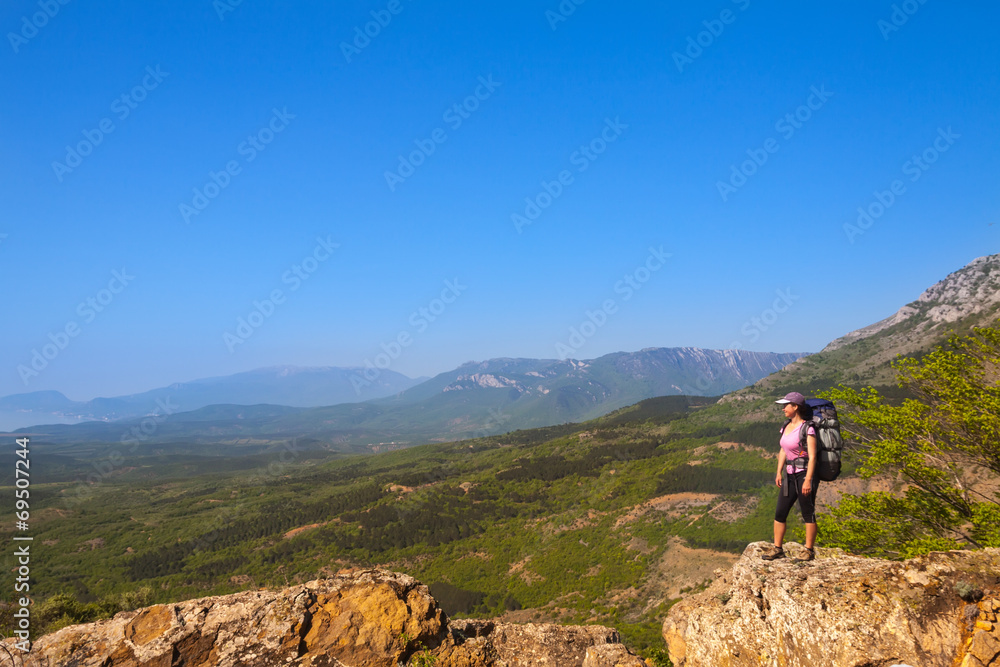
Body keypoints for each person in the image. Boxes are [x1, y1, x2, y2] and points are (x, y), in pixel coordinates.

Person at [761, 391, 818, 562]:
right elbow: (783, 450)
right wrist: (779, 471)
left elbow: (813, 456)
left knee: (807, 512)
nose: (783, 409)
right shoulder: (786, 426)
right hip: (790, 475)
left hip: (804, 474)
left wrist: (808, 480)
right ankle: (778, 548)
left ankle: (808, 550)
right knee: (780, 512)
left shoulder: (808, 428)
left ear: (796, 407)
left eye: (786, 405)